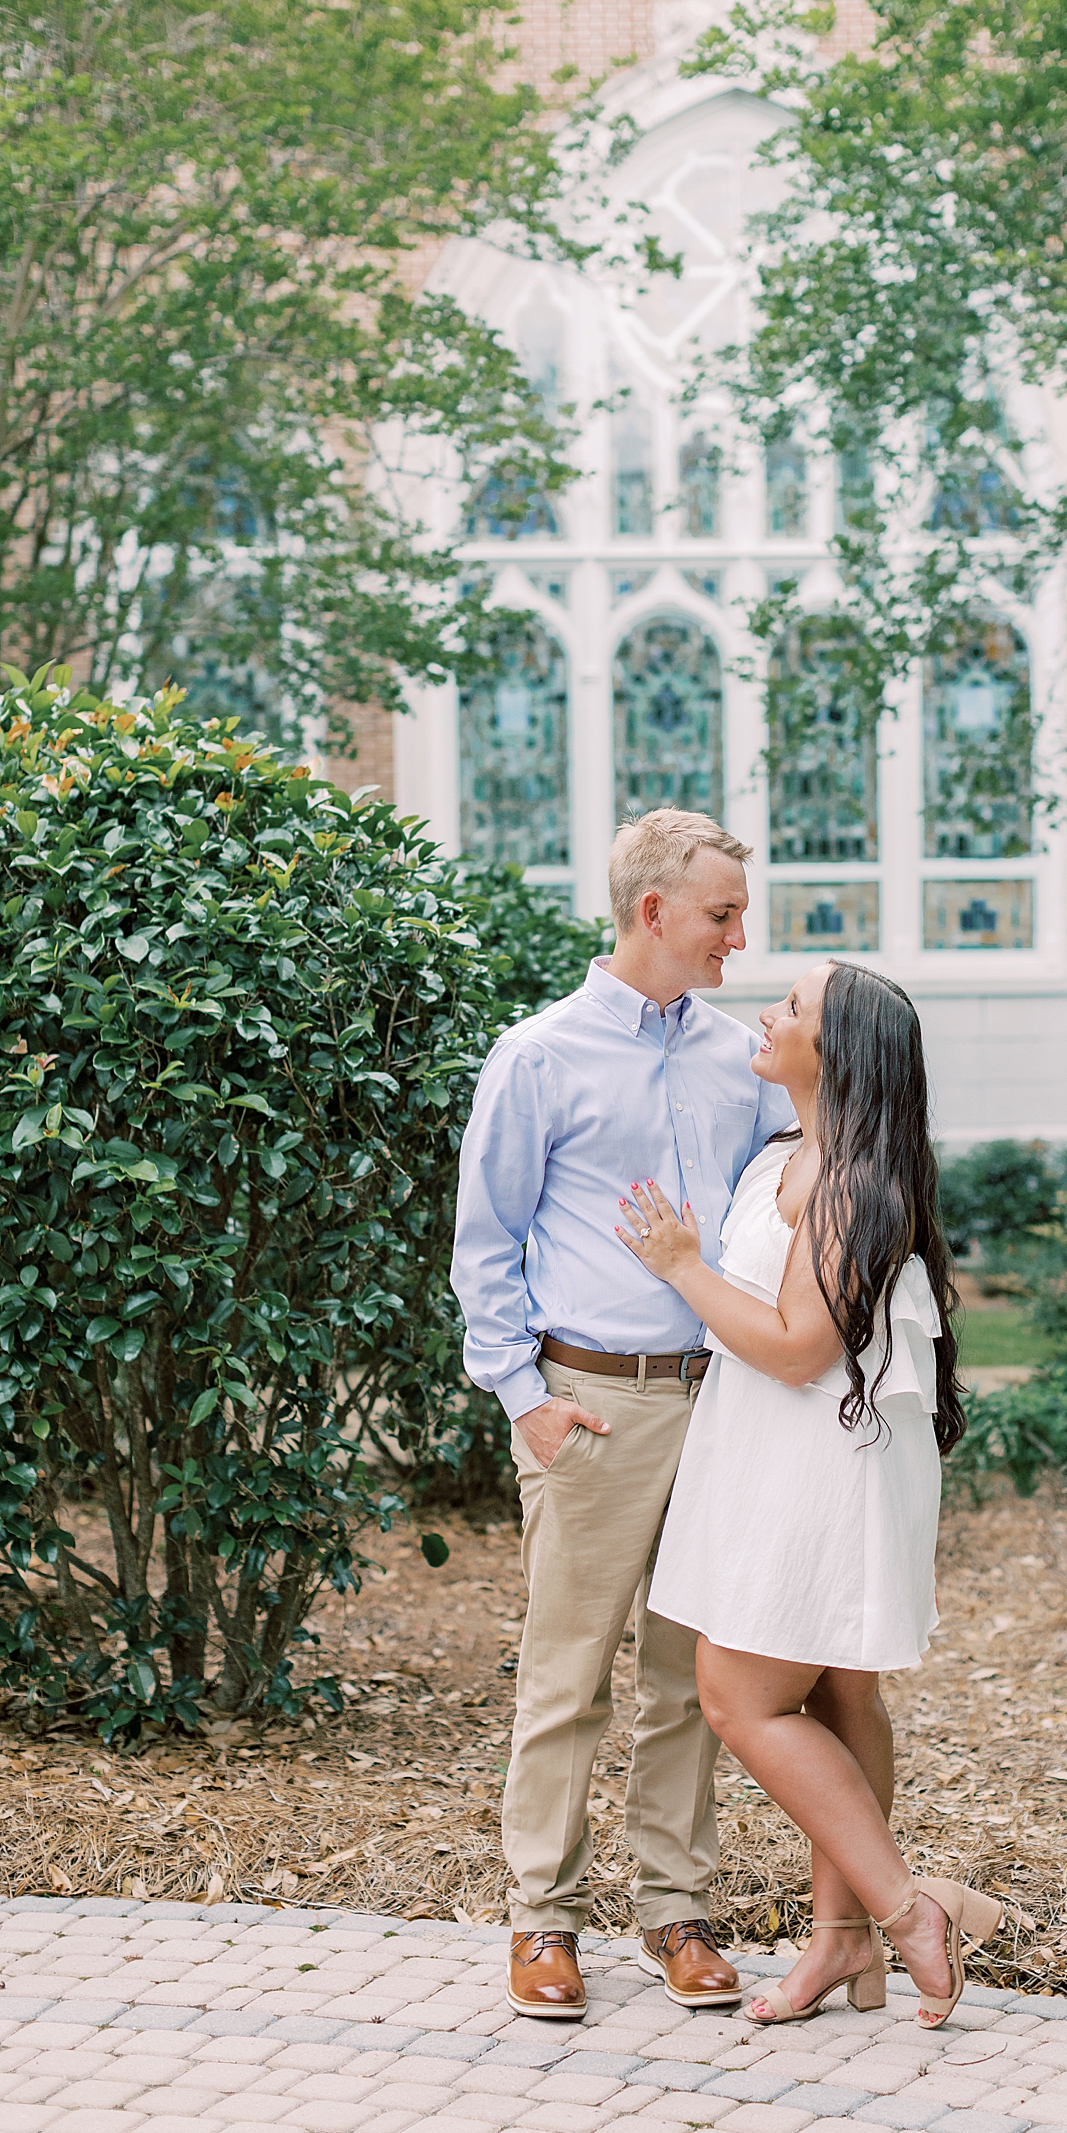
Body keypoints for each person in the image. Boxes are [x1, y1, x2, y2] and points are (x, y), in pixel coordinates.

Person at [449, 807, 797, 2020]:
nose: (736, 939)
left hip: (722, 1407)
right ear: (653, 912)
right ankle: (543, 1920)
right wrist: (526, 1401)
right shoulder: (538, 1055)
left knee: (686, 1674)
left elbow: (781, 1200)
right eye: (720, 915)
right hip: (590, 1406)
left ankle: (676, 1909)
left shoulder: (737, 1056)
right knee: (568, 1674)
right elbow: (484, 1246)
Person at [617, 959, 1004, 2030]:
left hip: (820, 1464)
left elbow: (796, 1346)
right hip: (781, 1451)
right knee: (840, 1695)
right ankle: (842, 1946)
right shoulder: (795, 1156)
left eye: (791, 1008)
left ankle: (906, 1910)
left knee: (739, 1694)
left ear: (835, 1055)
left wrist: (683, 1267)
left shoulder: (852, 1186)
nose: (767, 1013)